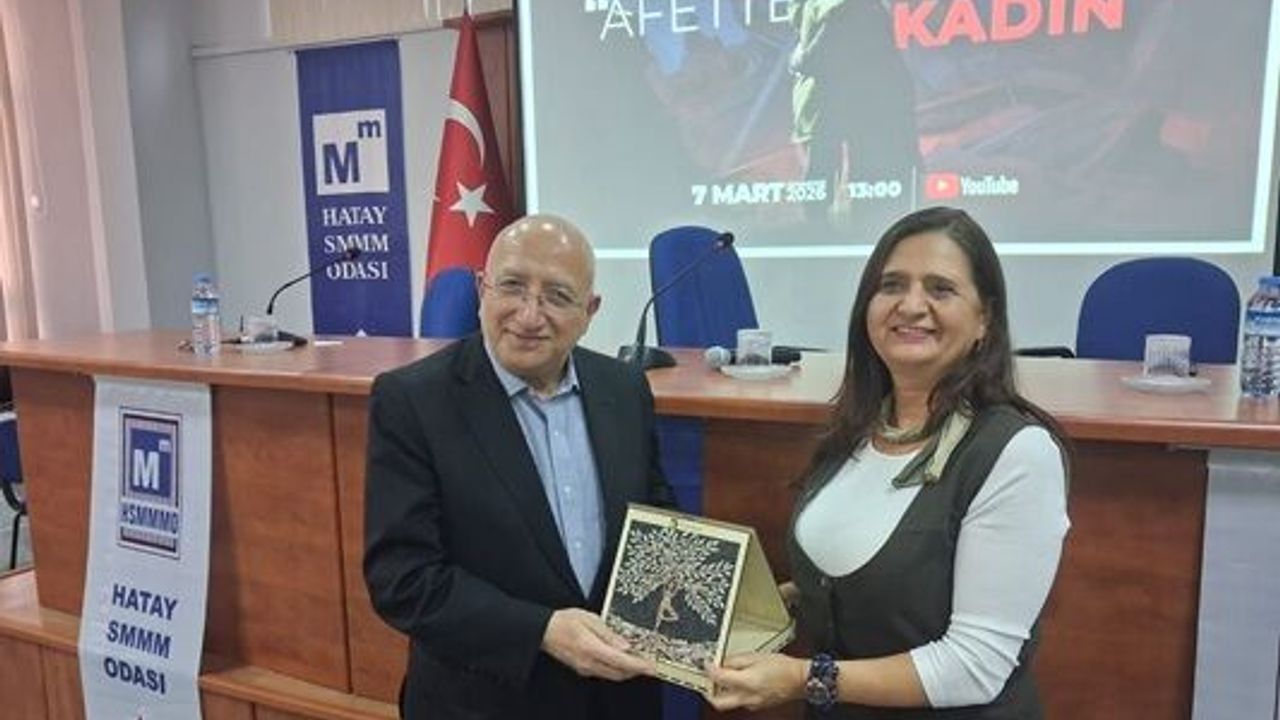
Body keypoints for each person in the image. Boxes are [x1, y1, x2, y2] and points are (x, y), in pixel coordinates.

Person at [708, 207, 1069, 718]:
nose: (911, 305)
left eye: (941, 289)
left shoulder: (1018, 454)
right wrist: (777, 603)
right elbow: (859, 576)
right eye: (891, 285)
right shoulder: (856, 429)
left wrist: (799, 679)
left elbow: (975, 665)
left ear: (984, 319)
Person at [363, 214, 674, 720]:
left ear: (590, 311)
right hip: (484, 702)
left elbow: (656, 518)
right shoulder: (412, 401)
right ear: (481, 289)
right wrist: (542, 631)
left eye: (557, 296)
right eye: (511, 286)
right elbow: (402, 578)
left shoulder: (624, 388)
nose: (529, 315)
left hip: (617, 700)